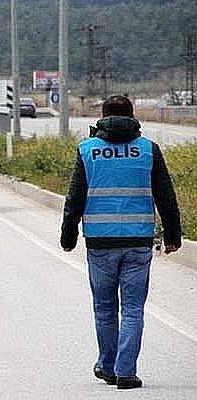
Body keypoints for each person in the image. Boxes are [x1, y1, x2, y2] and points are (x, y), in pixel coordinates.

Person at [60, 95, 182, 390]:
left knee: (104, 307)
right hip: (138, 242)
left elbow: (74, 197)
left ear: (102, 116)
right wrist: (173, 236)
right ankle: (126, 372)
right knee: (132, 309)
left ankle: (107, 365)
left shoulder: (87, 150)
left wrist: (68, 235)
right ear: (132, 115)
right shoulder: (147, 150)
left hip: (100, 243)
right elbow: (166, 196)